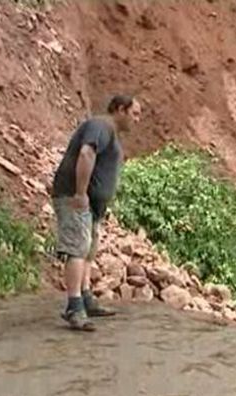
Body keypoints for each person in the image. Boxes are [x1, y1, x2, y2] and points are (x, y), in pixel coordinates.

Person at [51, 94, 141, 331]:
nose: (137, 120)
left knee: (88, 248)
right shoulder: (100, 126)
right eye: (135, 113)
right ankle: (74, 306)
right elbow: (86, 153)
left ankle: (86, 297)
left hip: (91, 205)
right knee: (78, 248)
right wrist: (80, 193)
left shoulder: (109, 133)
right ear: (120, 109)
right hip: (75, 197)